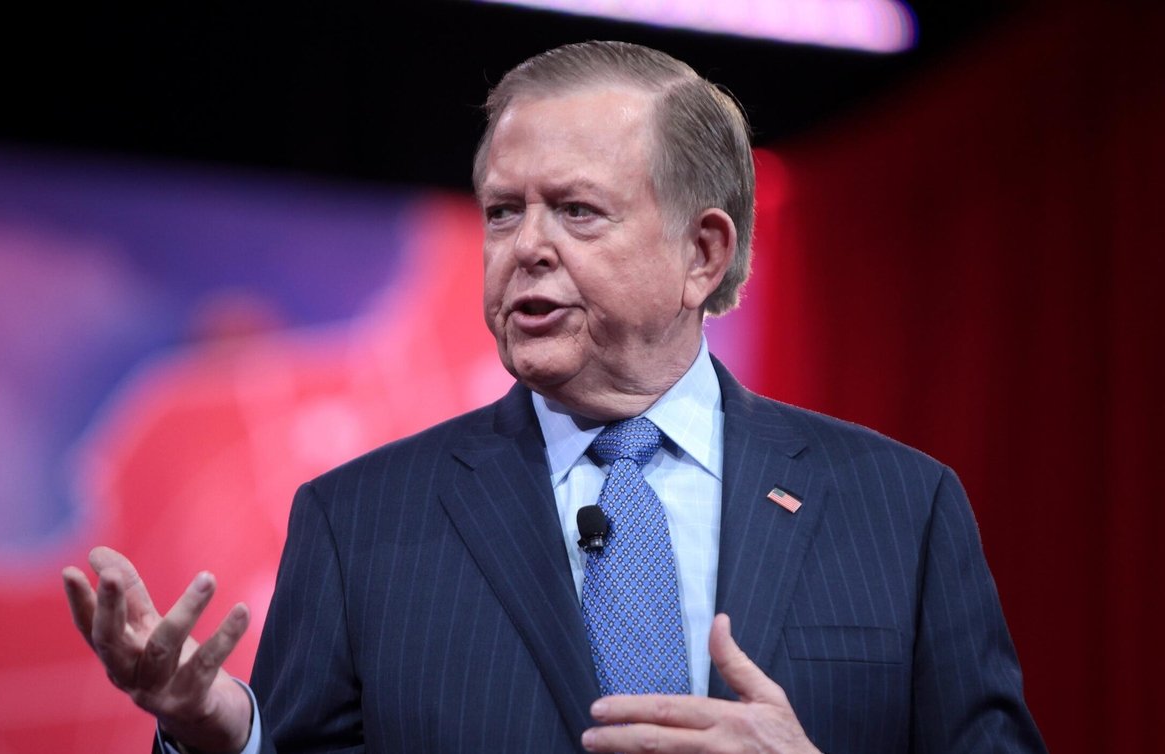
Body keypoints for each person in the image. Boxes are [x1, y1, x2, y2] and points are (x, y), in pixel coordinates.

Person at [62, 41, 1045, 753]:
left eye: (576, 210)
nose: (525, 246)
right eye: (502, 211)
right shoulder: (357, 521)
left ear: (701, 254)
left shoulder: (897, 508)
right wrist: (215, 730)